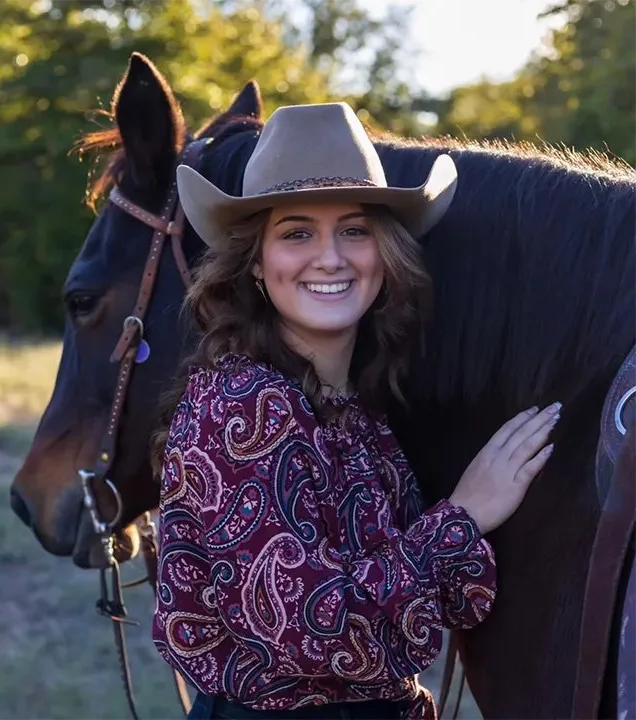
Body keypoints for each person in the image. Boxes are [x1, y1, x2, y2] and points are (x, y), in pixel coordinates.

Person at [149, 102, 558, 720]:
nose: (331, 257)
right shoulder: (244, 407)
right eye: (296, 233)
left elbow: (454, 602)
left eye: (355, 230)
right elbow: (314, 629)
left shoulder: (356, 409)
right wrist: (465, 513)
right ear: (256, 264)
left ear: (384, 253)